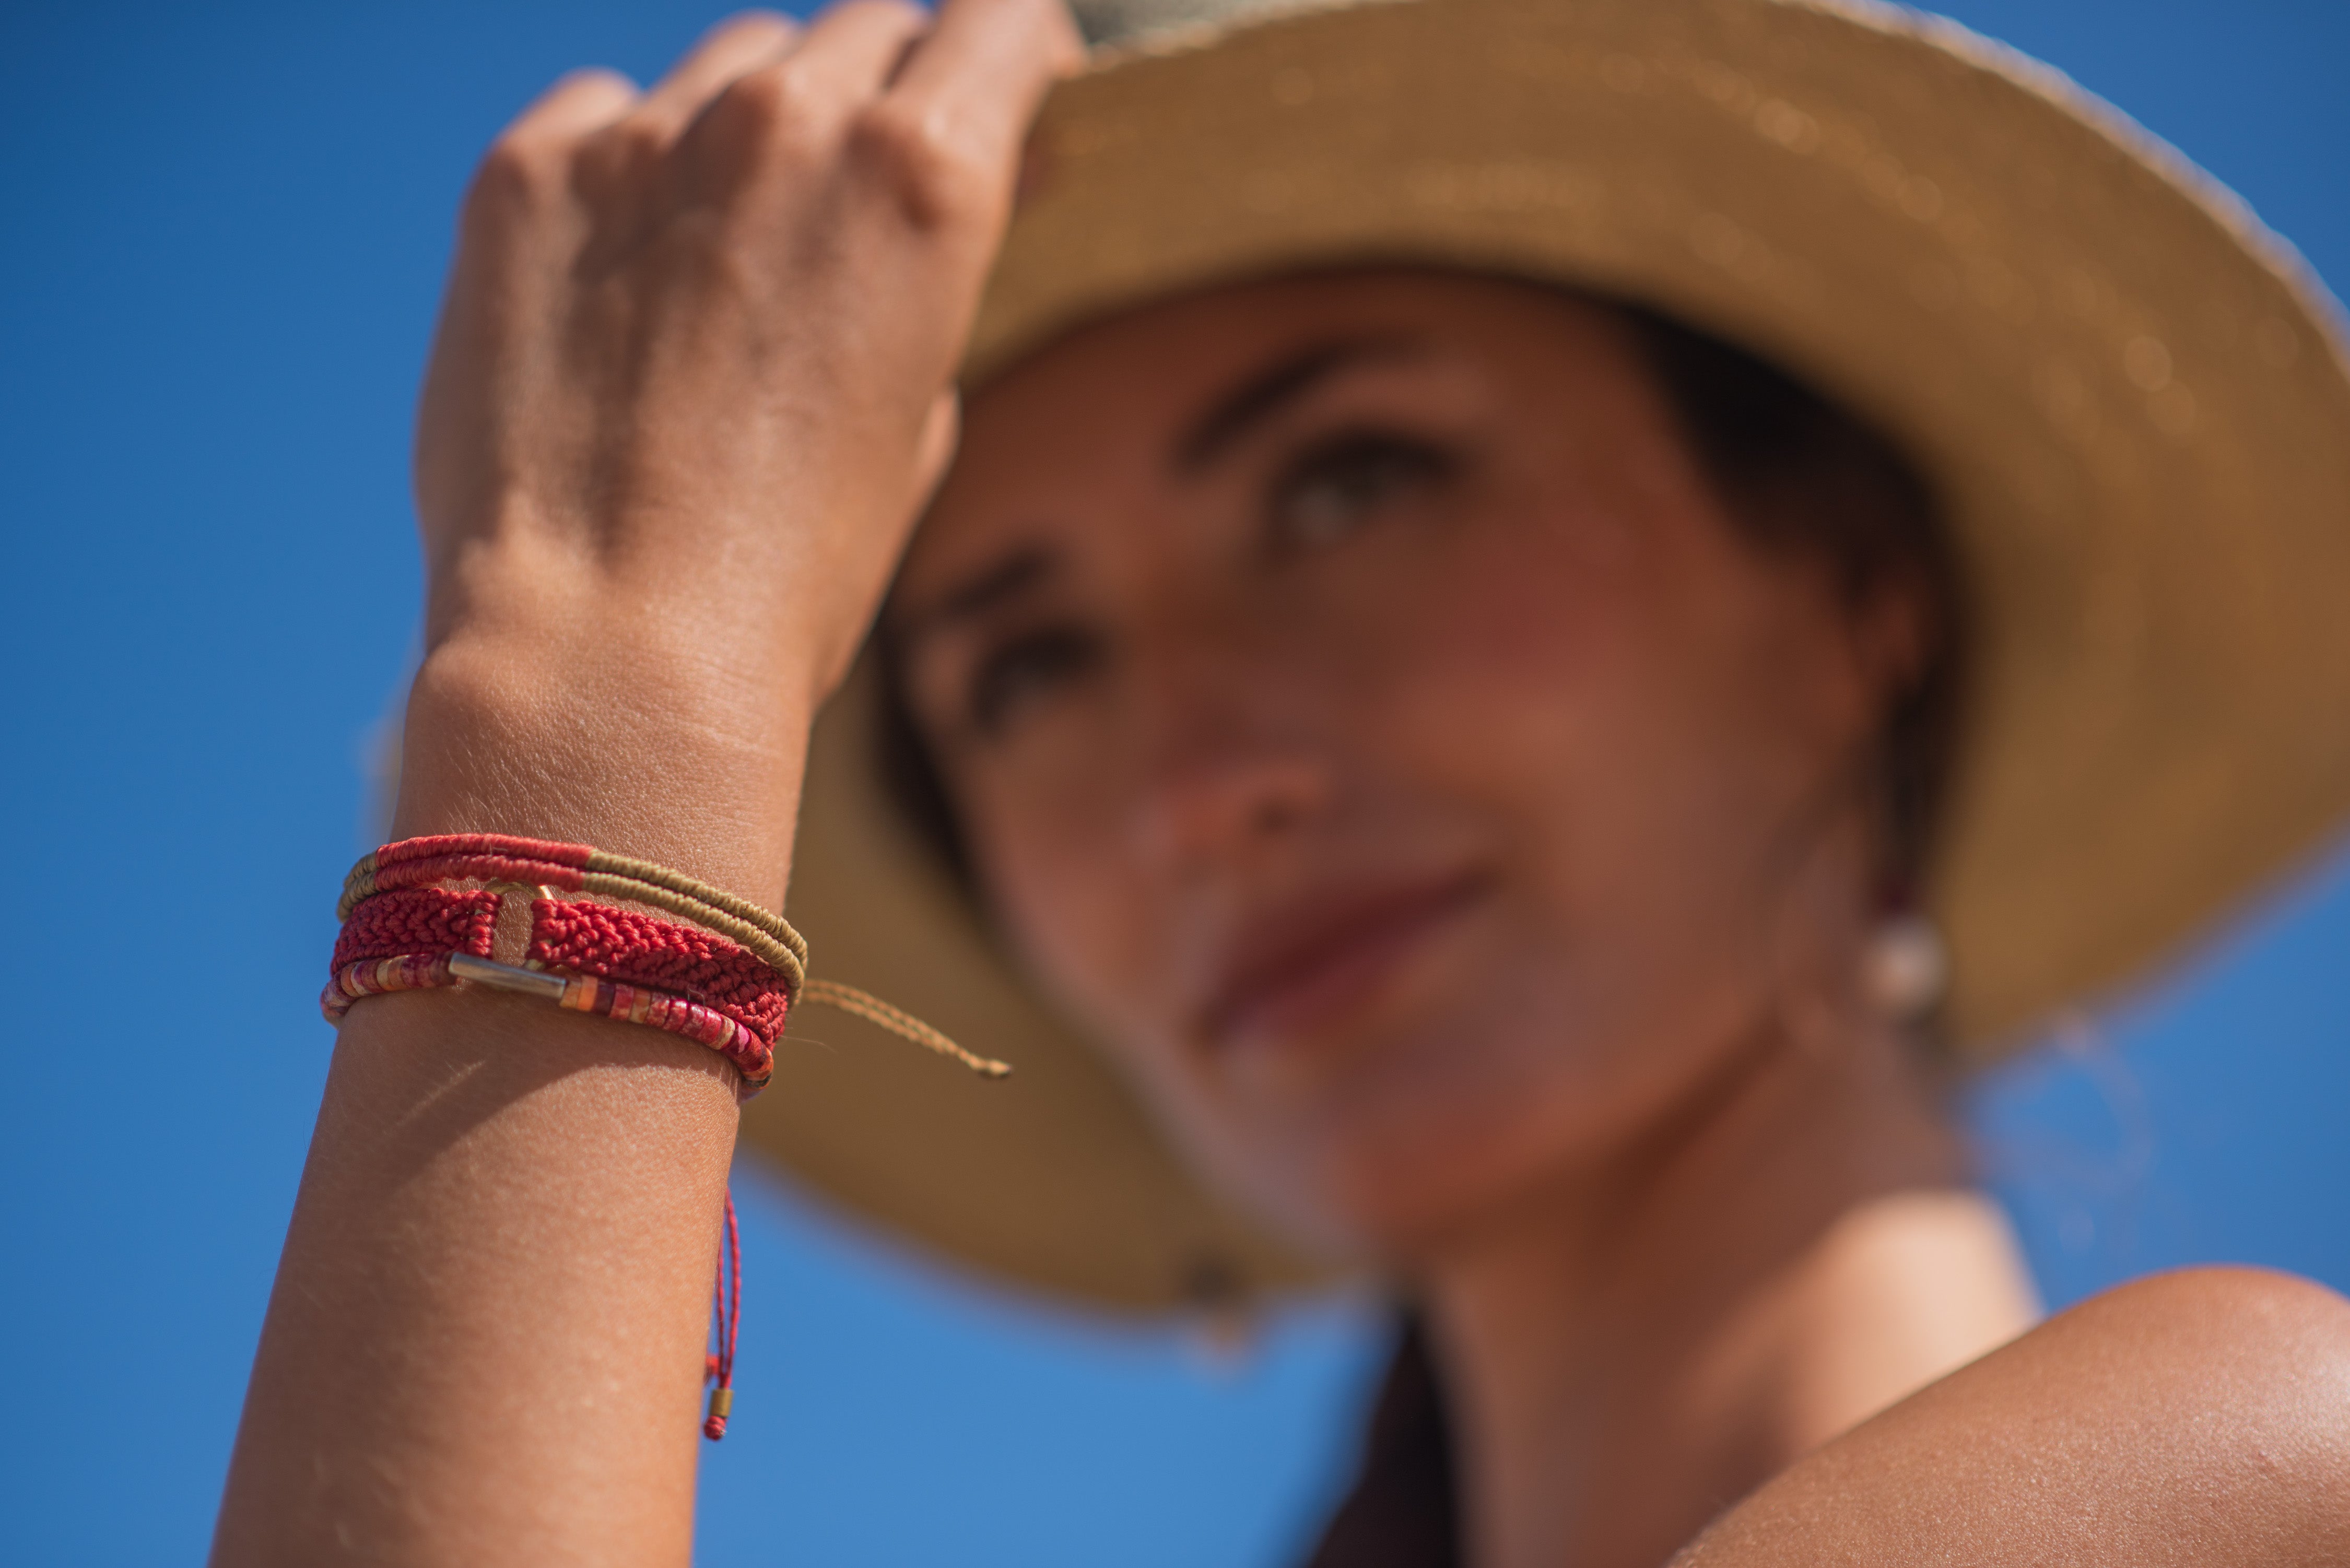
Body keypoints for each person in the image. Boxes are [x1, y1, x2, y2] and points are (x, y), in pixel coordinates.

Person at [214, 0, 2350, 1564]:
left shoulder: (2261, 1477)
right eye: (1029, 667)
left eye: (1354, 484)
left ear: (1851, 592)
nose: (1201, 781)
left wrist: (605, 670)